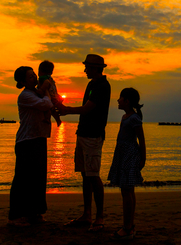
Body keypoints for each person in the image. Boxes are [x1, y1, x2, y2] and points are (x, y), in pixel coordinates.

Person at [60, 54, 111, 232]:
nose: (84, 70)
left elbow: (88, 108)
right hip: (83, 134)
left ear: (96, 68)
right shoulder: (92, 84)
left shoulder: (102, 86)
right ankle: (87, 214)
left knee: (93, 175)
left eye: (87, 67)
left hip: (93, 136)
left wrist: (66, 110)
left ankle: (99, 217)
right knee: (85, 174)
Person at [8, 66, 54, 227]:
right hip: (26, 140)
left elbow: (50, 102)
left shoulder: (36, 92)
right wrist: (47, 91)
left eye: (34, 74)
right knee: (23, 179)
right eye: (30, 77)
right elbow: (45, 105)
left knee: (38, 178)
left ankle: (35, 212)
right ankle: (15, 215)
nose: (34, 77)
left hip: (39, 137)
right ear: (22, 82)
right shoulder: (25, 96)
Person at [108, 88, 146, 241]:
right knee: (128, 190)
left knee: (127, 191)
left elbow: (141, 140)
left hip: (130, 156)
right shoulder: (125, 117)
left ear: (127, 101)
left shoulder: (134, 118)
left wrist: (143, 159)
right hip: (123, 155)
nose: (118, 100)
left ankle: (127, 227)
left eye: (120, 98)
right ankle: (129, 225)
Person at [38, 60, 62, 127]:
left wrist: (41, 90)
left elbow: (46, 83)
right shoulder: (50, 78)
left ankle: (47, 118)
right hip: (54, 96)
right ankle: (58, 119)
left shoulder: (43, 78)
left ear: (40, 71)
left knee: (48, 109)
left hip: (50, 96)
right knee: (53, 110)